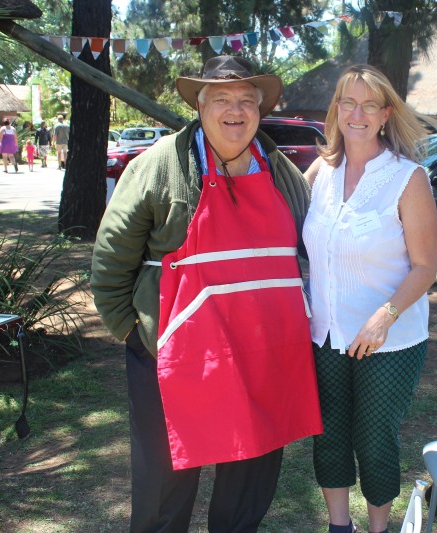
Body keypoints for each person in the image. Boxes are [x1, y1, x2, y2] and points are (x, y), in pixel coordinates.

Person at [91, 55, 322, 533]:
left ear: (259, 109)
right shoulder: (158, 166)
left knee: (251, 469)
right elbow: (111, 258)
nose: (235, 111)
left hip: (263, 351)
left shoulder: (280, 170)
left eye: (246, 100)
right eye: (222, 99)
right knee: (165, 480)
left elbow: (312, 245)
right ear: (199, 106)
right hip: (175, 352)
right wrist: (134, 331)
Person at [302, 64, 437, 533]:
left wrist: (385, 315)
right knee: (329, 434)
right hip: (325, 334)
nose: (356, 114)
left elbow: (425, 266)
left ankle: (379, 528)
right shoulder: (321, 171)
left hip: (390, 340)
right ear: (336, 110)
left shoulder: (407, 178)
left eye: (368, 105)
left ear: (385, 114)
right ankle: (340, 526)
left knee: (374, 438)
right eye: (348, 102)